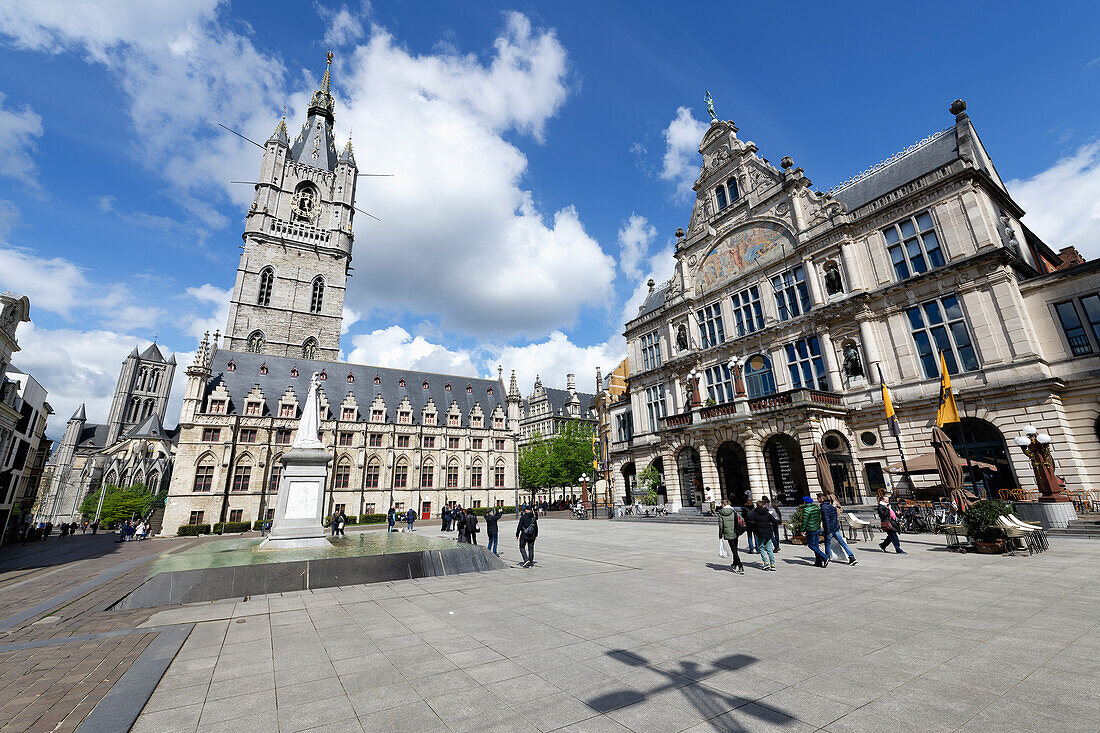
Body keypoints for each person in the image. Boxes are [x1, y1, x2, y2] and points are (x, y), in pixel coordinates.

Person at [819, 493, 856, 566]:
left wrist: (828, 531)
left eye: (818, 498)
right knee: (842, 543)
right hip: (835, 528)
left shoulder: (824, 508)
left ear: (821, 499)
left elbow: (826, 520)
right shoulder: (831, 506)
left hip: (830, 529)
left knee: (827, 544)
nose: (817, 499)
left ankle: (827, 557)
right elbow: (835, 518)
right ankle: (852, 557)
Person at [746, 498, 776, 570]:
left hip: (759, 532)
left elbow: (750, 519)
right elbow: (774, 521)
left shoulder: (755, 513)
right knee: (769, 549)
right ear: (763, 506)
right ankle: (772, 564)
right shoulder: (767, 513)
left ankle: (766, 562)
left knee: (761, 548)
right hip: (768, 532)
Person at [716, 499, 744, 574]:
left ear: (722, 505)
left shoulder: (720, 513)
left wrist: (720, 535)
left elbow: (720, 526)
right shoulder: (733, 511)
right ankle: (734, 564)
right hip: (735, 532)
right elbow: (741, 519)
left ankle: (740, 566)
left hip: (728, 532)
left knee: (734, 550)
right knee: (735, 549)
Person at [801, 496, 829, 567]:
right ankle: (818, 562)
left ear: (805, 502)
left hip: (811, 529)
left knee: (811, 545)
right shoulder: (816, 508)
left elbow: (804, 521)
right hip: (817, 528)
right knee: (816, 546)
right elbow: (819, 518)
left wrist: (802, 530)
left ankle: (825, 557)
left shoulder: (806, 509)